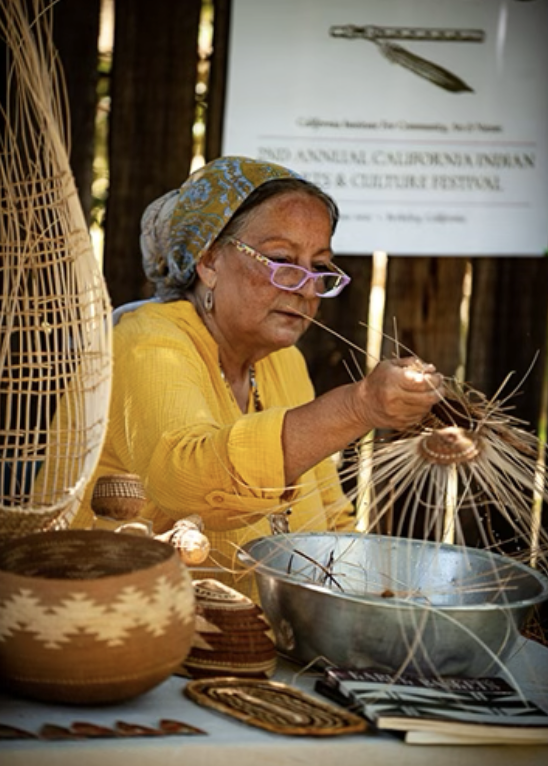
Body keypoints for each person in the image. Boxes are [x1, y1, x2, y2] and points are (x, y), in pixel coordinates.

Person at [73, 155, 443, 597]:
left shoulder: (282, 362)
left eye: (319, 266)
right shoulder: (147, 341)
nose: (306, 287)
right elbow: (185, 479)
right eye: (281, 259)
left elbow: (328, 512)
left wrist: (374, 591)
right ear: (209, 262)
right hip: (120, 624)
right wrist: (358, 406)